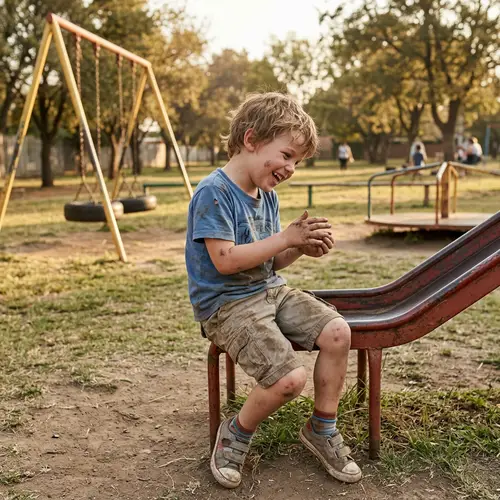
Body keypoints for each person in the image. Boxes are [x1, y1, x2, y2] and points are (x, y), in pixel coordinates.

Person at [185, 92, 362, 489]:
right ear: (251, 140)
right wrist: (285, 238)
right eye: (286, 155)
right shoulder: (213, 192)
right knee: (288, 380)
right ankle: (236, 432)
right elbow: (226, 260)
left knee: (338, 332)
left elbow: (269, 261)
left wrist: (297, 248)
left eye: (297, 161)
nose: (291, 167)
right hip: (227, 305)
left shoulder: (268, 196)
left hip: (270, 291)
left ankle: (322, 427)